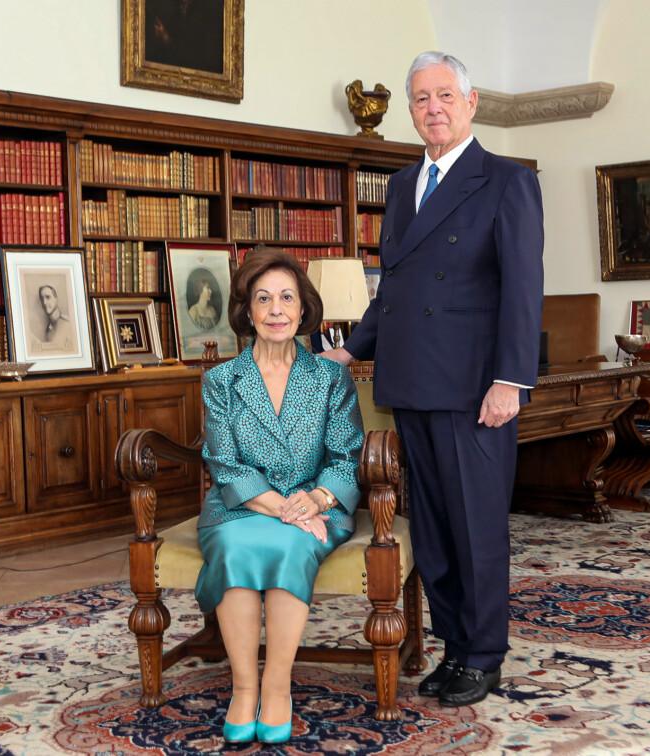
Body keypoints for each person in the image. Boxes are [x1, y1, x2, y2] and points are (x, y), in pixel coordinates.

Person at [324, 52, 545, 707]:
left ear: (471, 103)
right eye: (421, 98)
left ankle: (484, 655)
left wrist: (511, 380)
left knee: (476, 527)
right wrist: (348, 351)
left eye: (445, 95)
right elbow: (393, 289)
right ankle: (454, 648)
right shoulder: (401, 185)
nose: (433, 108)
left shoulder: (506, 180)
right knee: (435, 530)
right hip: (412, 381)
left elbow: (523, 291)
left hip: (475, 387)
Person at [196, 247, 364, 744]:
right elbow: (225, 462)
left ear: (303, 308)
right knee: (236, 547)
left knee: (290, 545)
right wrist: (285, 509)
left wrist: (316, 501)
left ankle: (275, 687)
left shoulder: (330, 377)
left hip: (317, 506)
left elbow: (346, 457)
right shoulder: (221, 381)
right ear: (247, 311)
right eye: (263, 298)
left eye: (287, 298)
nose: (276, 310)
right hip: (240, 506)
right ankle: (243, 689)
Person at [36, 284, 75, 348]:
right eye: (42, 299)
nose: (44, 302)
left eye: (48, 297)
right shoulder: (48, 329)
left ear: (56, 298)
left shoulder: (68, 324)